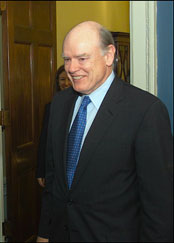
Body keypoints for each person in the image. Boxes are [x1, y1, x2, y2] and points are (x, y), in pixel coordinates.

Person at [37, 21, 173, 242]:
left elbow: (159, 206)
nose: (71, 68)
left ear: (109, 55)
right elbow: (53, 181)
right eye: (67, 59)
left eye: (82, 58)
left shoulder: (146, 111)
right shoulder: (60, 104)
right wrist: (44, 232)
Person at [36, 65, 72, 187]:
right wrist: (41, 170)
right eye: (62, 79)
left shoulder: (83, 105)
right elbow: (45, 140)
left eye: (69, 79)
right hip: (56, 169)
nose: (66, 83)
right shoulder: (51, 107)